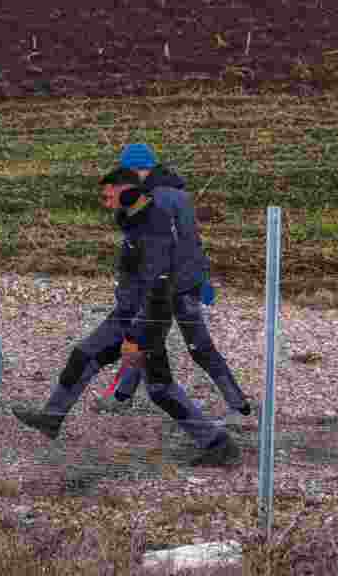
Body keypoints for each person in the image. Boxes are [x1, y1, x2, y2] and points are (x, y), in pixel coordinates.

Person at [12, 158, 241, 467]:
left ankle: (219, 444)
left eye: (108, 195)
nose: (104, 202)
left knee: (157, 388)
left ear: (127, 191)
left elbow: (158, 287)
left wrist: (136, 337)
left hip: (145, 318)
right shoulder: (136, 220)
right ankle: (52, 417)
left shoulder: (154, 227)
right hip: (129, 313)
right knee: (88, 358)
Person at [111, 143, 252, 424]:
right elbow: (192, 241)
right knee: (181, 345)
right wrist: (202, 278)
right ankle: (121, 397)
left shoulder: (151, 200)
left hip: (165, 286)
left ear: (139, 169)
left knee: (167, 342)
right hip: (184, 282)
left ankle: (240, 408)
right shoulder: (178, 195)